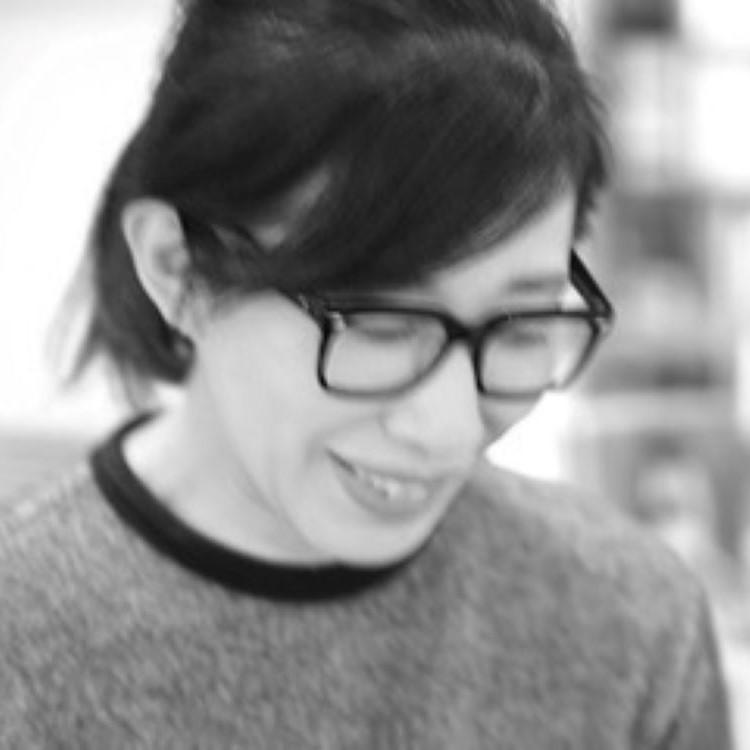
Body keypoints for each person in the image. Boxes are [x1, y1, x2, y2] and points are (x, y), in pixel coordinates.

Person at [0, 0, 733, 747]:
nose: (449, 428)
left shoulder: (630, 624)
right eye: (378, 324)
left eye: (521, 324)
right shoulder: (20, 640)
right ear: (176, 266)